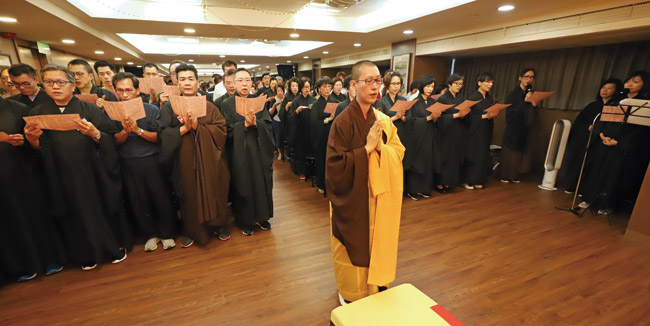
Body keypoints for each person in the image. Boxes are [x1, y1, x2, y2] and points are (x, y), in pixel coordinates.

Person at [24, 64, 127, 270]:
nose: (55, 87)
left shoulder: (89, 109)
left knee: (98, 210)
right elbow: (39, 149)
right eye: (50, 82)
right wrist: (31, 139)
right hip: (59, 173)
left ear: (72, 86)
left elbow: (107, 137)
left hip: (91, 170)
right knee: (72, 215)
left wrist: (94, 134)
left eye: (61, 82)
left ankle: (111, 249)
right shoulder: (39, 113)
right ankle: (85, 255)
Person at [325, 60, 405, 305]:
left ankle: (377, 282)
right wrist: (367, 149)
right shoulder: (343, 121)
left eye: (377, 80)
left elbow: (398, 150)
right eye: (367, 81)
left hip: (377, 195)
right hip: (351, 196)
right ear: (353, 85)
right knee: (350, 247)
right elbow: (334, 165)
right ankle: (352, 292)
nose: (374, 86)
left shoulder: (382, 119)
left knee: (376, 241)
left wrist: (380, 149)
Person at [158, 63, 230, 246]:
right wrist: (184, 129)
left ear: (198, 82)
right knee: (189, 195)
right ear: (177, 83)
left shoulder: (209, 106)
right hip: (184, 159)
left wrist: (199, 127)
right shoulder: (169, 107)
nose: (187, 83)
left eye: (191, 79)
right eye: (182, 79)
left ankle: (219, 226)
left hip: (210, 160)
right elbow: (163, 134)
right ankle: (192, 230)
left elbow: (221, 130)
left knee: (214, 189)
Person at [0, 96, 65, 283]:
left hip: (22, 174)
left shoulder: (17, 108)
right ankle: (19, 266)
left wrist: (27, 140)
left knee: (34, 217)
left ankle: (49, 259)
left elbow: (37, 144)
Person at [111, 72, 177, 252]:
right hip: (128, 162)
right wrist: (125, 132)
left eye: (128, 90)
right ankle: (150, 234)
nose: (125, 95)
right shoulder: (112, 112)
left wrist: (137, 130)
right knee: (138, 200)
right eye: (120, 91)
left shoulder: (151, 110)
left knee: (161, 197)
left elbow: (160, 138)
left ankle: (167, 233)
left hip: (152, 160)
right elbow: (113, 141)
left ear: (137, 90)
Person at [579, 71, 649, 215]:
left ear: (644, 85)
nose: (630, 83)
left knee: (613, 174)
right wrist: (602, 135)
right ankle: (589, 198)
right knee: (596, 170)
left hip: (620, 145)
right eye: (628, 80)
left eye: (635, 81)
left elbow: (639, 131)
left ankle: (606, 204)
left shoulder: (644, 105)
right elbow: (602, 119)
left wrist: (619, 142)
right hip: (604, 141)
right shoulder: (616, 100)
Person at [219, 68, 275, 236]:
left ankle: (262, 217)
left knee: (262, 181)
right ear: (234, 84)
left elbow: (268, 124)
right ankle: (246, 221)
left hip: (258, 151)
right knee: (243, 184)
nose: (244, 84)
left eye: (247, 80)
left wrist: (257, 123)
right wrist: (243, 125)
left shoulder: (257, 101)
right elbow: (225, 130)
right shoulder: (227, 104)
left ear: (252, 83)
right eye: (240, 80)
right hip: (239, 152)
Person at [559, 78, 623, 193]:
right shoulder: (592, 105)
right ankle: (572, 185)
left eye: (609, 88)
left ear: (616, 91)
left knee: (591, 164)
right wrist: (588, 127)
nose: (605, 90)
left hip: (599, 140)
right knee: (576, 161)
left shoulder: (615, 107)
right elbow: (579, 122)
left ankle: (583, 189)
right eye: (603, 87)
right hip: (584, 138)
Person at [404, 75, 438, 200]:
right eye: (428, 86)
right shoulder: (414, 101)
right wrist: (428, 118)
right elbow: (411, 121)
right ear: (422, 86)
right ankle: (413, 190)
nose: (430, 89)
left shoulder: (433, 102)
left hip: (429, 134)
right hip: (417, 137)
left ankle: (425, 188)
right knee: (417, 161)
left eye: (432, 87)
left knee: (428, 161)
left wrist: (435, 118)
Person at [501, 68, 538, 183]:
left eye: (531, 77)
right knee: (509, 152)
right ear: (520, 78)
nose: (529, 79)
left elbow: (531, 111)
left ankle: (514, 175)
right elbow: (511, 112)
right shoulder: (513, 94)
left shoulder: (530, 92)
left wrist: (534, 104)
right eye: (526, 76)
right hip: (513, 126)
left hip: (524, 126)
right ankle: (505, 175)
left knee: (519, 152)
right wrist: (524, 101)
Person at [464, 73, 499, 189]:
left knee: (483, 155)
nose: (490, 84)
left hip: (486, 129)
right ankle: (470, 180)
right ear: (479, 83)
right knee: (474, 155)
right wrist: (484, 116)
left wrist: (493, 113)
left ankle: (479, 179)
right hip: (475, 130)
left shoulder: (489, 98)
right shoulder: (473, 97)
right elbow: (468, 116)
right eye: (488, 82)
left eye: (491, 82)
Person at [310, 76, 337, 193]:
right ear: (319, 89)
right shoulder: (316, 104)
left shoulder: (335, 102)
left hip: (334, 134)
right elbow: (313, 123)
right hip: (321, 136)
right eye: (324, 86)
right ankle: (321, 183)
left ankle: (333, 183)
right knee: (322, 159)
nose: (327, 89)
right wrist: (328, 119)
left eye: (329, 86)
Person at [288, 77, 317, 179]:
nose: (307, 89)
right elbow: (291, 117)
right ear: (301, 88)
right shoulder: (296, 100)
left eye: (308, 87)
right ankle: (302, 171)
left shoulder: (313, 99)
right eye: (305, 87)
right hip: (300, 129)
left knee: (311, 150)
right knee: (301, 151)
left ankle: (312, 171)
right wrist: (297, 111)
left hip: (311, 129)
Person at [279, 77, 300, 160]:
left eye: (296, 86)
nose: (295, 88)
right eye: (293, 86)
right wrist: (287, 107)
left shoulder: (300, 96)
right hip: (290, 123)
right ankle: (290, 154)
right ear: (290, 88)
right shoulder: (287, 97)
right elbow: (281, 113)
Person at [268, 83, 285, 160]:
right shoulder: (274, 99)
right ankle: (280, 153)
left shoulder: (285, 99)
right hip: (277, 120)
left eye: (281, 90)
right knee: (278, 137)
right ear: (276, 92)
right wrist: (274, 106)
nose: (280, 92)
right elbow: (271, 112)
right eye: (278, 91)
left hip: (285, 121)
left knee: (284, 137)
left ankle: (285, 153)